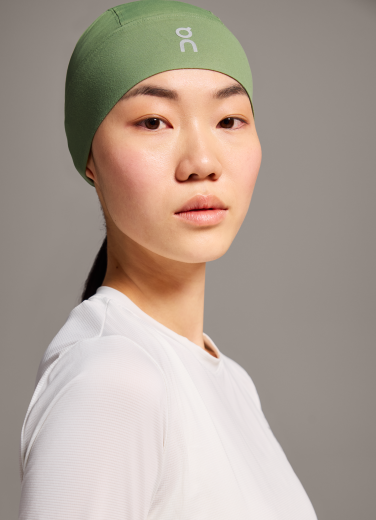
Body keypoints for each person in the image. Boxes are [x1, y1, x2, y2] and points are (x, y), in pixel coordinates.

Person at [19, 1, 317, 518]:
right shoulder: (112, 380)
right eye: (154, 122)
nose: (202, 162)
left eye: (229, 120)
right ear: (90, 159)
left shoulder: (230, 382)